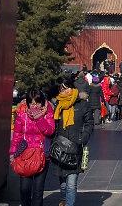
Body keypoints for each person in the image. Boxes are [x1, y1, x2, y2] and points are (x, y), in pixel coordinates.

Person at [52, 74, 94, 206]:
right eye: (61, 89)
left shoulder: (82, 104)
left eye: (66, 88)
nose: (64, 91)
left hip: (75, 147)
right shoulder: (58, 104)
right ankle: (64, 201)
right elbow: (53, 124)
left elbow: (89, 122)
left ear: (72, 87)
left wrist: (84, 137)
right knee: (63, 184)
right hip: (60, 147)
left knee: (71, 183)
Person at [10, 89, 55, 206]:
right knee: (25, 189)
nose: (35, 106)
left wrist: (39, 118)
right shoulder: (22, 113)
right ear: (28, 103)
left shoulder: (48, 112)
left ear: (42, 102)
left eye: (37, 103)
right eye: (32, 103)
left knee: (38, 190)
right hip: (25, 154)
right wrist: (13, 152)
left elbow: (50, 131)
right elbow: (17, 134)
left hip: (42, 154)